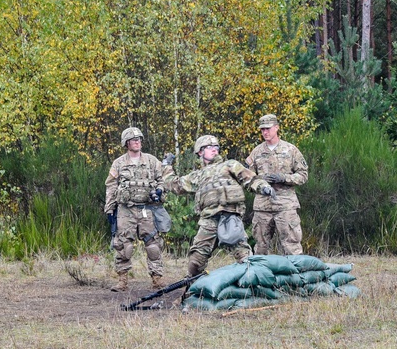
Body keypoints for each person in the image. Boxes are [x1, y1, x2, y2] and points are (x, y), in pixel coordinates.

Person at [163, 135, 275, 277]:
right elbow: (175, 184)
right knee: (196, 260)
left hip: (231, 216)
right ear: (200, 152)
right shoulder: (197, 175)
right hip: (209, 220)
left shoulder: (230, 165)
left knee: (244, 255)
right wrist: (166, 166)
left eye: (216, 147)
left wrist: (263, 187)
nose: (214, 150)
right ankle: (193, 291)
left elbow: (250, 179)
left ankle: (252, 287)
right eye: (209, 148)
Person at [104, 127, 173, 292]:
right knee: (123, 245)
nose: (137, 142)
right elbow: (111, 185)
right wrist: (109, 208)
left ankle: (157, 279)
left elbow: (162, 179)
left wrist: (159, 190)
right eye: (134, 140)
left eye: (139, 139)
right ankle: (122, 281)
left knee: (153, 245)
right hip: (125, 210)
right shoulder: (119, 163)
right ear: (126, 143)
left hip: (147, 209)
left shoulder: (151, 161)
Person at [245, 114, 309, 255]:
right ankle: (261, 276)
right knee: (260, 248)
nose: (265, 132)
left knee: (291, 246)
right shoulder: (256, 152)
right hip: (262, 207)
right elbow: (248, 180)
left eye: (268, 128)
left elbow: (303, 175)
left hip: (285, 206)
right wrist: (261, 183)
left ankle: (294, 275)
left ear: (276, 127)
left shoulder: (291, 150)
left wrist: (284, 178)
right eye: (262, 130)